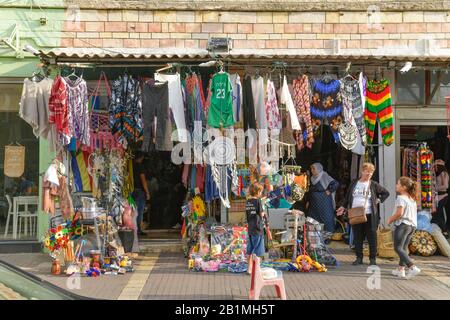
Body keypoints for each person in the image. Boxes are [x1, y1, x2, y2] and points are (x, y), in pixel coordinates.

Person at [337, 162, 390, 266]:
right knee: (358, 237)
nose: (369, 175)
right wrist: (343, 207)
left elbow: (386, 193)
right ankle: (359, 258)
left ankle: (372, 259)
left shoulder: (374, 184)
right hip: (355, 214)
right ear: (362, 171)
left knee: (372, 237)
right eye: (367, 172)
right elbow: (348, 197)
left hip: (370, 215)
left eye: (371, 173)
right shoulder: (354, 183)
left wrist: (378, 200)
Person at [387, 176, 421, 279]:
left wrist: (390, 220)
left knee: (397, 248)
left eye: (398, 184)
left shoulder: (401, 198)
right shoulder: (412, 199)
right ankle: (401, 270)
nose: (396, 186)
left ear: (404, 187)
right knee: (403, 248)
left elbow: (399, 213)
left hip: (403, 225)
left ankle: (412, 267)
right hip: (412, 226)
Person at [307, 163, 339, 233]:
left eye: (313, 168)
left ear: (318, 169)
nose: (312, 170)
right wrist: (308, 201)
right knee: (313, 219)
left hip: (324, 203)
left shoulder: (324, 175)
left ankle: (327, 237)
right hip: (314, 204)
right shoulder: (312, 178)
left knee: (326, 218)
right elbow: (310, 191)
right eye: (311, 168)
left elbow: (336, 184)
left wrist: (330, 191)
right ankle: (314, 237)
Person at [246, 182, 266, 274]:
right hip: (258, 228)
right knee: (257, 250)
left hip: (250, 227)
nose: (261, 193)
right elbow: (261, 214)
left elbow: (247, 215)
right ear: (258, 192)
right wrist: (264, 213)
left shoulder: (248, 202)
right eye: (261, 191)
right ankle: (256, 268)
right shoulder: (258, 201)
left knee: (249, 250)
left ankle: (249, 269)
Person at [132, 151, 150, 236]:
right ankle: (138, 230)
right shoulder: (140, 167)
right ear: (141, 157)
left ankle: (132, 228)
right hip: (139, 191)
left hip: (132, 190)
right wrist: (147, 192)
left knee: (132, 210)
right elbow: (143, 180)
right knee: (139, 211)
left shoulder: (130, 165)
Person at [431, 159, 449, 237]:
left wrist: (435, 188)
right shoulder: (439, 174)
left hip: (443, 196)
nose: (435, 168)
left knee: (439, 213)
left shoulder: (444, 174)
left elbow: (446, 186)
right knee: (438, 213)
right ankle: (441, 230)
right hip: (438, 196)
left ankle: (444, 231)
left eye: (436, 166)